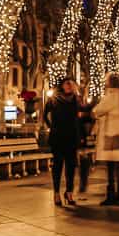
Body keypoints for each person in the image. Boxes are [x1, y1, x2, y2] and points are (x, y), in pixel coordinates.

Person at [43, 78, 82, 206]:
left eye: (71, 84)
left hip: (72, 137)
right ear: (62, 86)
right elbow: (45, 115)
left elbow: (81, 114)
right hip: (58, 137)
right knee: (58, 166)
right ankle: (56, 193)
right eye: (67, 83)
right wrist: (52, 126)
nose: (70, 86)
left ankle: (69, 193)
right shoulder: (54, 99)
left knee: (71, 167)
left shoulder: (76, 99)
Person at [92, 72, 119, 206]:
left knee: (110, 166)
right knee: (117, 165)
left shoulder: (111, 96)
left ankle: (112, 195)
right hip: (118, 133)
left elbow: (98, 110)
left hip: (109, 133)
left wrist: (97, 110)